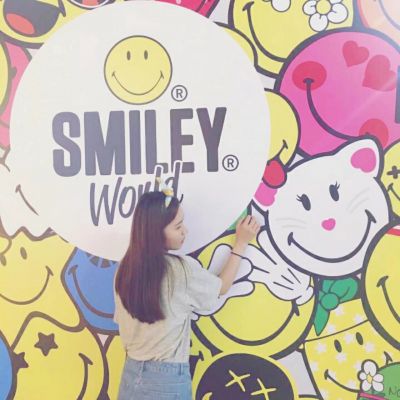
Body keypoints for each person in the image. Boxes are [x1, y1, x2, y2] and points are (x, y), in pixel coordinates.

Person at [114, 187, 260, 400]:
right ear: (156, 231)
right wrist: (241, 243)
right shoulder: (180, 270)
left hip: (131, 373)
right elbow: (221, 287)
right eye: (178, 226)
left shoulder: (125, 269)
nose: (185, 231)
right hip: (166, 380)